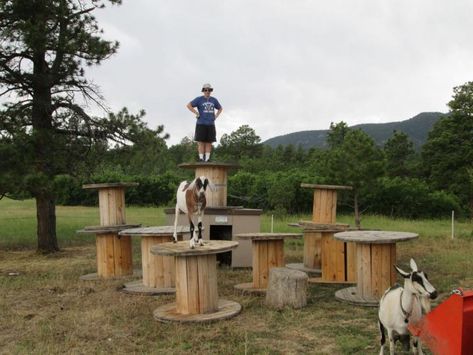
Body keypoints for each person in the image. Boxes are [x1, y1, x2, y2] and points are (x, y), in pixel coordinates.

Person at [186, 83, 223, 162]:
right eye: (205, 90)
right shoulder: (199, 99)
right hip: (201, 123)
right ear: (203, 91)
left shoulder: (214, 100)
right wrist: (196, 113)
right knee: (201, 142)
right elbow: (189, 105)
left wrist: (216, 116)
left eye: (209, 90)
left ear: (211, 91)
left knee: (209, 142)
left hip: (211, 124)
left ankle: (207, 159)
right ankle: (201, 158)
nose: (207, 91)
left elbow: (220, 108)